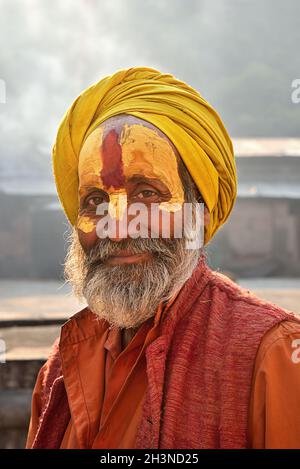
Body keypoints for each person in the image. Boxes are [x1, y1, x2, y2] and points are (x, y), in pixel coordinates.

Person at [26, 67, 300, 449]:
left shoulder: (270, 354)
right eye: (95, 201)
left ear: (199, 214)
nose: (117, 229)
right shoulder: (62, 362)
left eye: (148, 194)